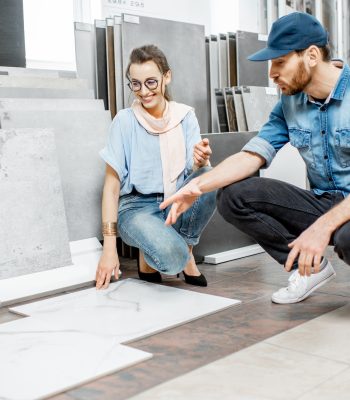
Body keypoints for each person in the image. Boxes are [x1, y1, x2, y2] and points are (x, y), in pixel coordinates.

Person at [160, 12, 350, 304]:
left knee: (346, 237)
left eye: (280, 62)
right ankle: (308, 270)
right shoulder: (290, 103)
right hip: (324, 200)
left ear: (311, 55)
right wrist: (197, 187)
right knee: (234, 196)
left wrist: (322, 228)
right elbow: (252, 155)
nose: (271, 73)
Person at [95, 45, 216, 290]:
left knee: (210, 176)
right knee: (171, 261)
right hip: (137, 208)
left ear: (166, 77)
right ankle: (174, 254)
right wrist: (109, 248)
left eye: (151, 82)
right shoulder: (125, 122)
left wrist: (200, 161)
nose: (144, 91)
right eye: (136, 84)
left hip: (176, 200)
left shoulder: (184, 116)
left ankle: (186, 250)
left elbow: (193, 174)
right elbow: (111, 188)